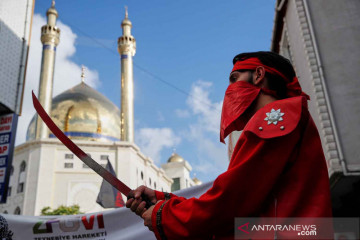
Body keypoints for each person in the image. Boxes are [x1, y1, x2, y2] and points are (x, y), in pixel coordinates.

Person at [126, 51, 333, 239]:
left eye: (235, 79)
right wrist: (164, 200)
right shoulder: (285, 116)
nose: (230, 89)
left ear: (259, 75)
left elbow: (228, 202)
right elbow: (237, 197)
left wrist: (164, 215)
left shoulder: (275, 117)